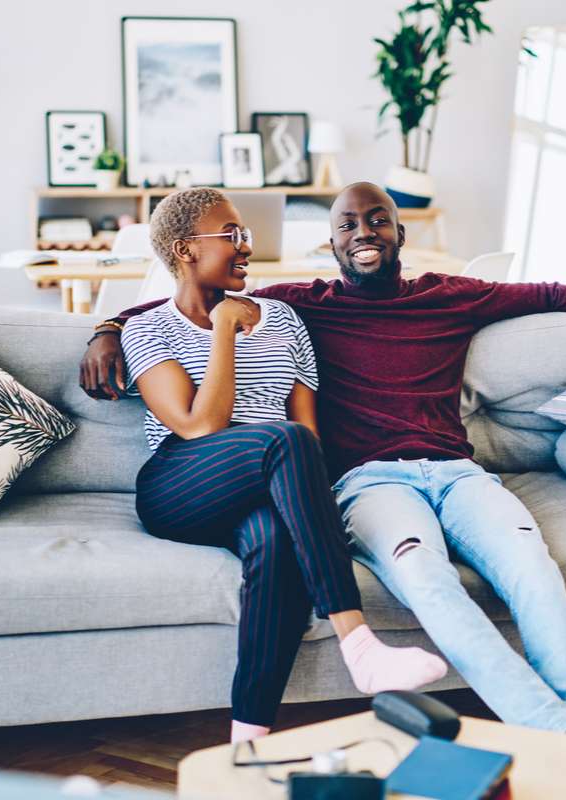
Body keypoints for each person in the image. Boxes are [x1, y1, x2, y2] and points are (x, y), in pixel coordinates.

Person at [81, 182, 566, 736]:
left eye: (377, 219)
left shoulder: (428, 299)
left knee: (531, 569)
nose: (364, 232)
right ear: (330, 246)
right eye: (348, 225)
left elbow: (551, 291)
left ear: (400, 230)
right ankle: (396, 657)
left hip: (456, 475)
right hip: (360, 485)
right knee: (423, 581)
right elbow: (187, 318)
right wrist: (104, 327)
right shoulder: (305, 302)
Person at [116, 188, 447, 744]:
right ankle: (358, 643)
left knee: (274, 545)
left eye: (245, 233)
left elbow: (309, 433)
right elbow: (200, 427)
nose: (247, 246)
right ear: (185, 249)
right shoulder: (146, 329)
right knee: (284, 440)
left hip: (273, 477)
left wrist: (302, 506)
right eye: (231, 236)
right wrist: (223, 330)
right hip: (183, 483)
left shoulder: (285, 318)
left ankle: (248, 739)